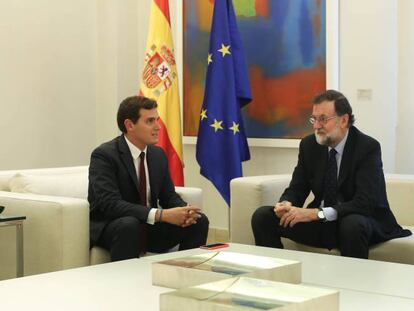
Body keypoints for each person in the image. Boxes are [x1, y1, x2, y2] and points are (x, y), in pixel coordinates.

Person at [251, 90, 411, 258]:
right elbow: (298, 187)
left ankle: (352, 283)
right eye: (314, 119)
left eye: (323, 119)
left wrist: (316, 214)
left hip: (360, 220)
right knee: (263, 217)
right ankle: (276, 277)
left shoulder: (367, 147)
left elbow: (364, 203)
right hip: (322, 223)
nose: (316, 126)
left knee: (352, 224)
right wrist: (286, 203)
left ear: (343, 120)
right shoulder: (309, 145)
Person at [88, 95, 209, 261]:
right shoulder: (104, 155)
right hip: (114, 226)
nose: (158, 127)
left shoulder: (157, 155)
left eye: (157, 120)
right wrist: (160, 215)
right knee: (129, 224)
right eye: (150, 121)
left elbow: (168, 196)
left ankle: (183, 276)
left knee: (199, 222)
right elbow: (111, 205)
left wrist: (184, 211)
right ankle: (122, 284)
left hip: (148, 226)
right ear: (129, 125)